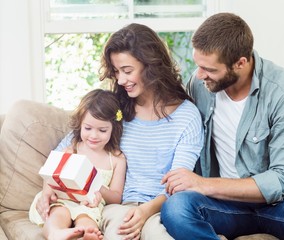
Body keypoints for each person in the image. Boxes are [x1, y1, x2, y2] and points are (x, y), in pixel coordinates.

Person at [161, 12, 284, 239]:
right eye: (198, 65)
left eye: (210, 69)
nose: (199, 75)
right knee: (176, 209)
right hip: (227, 205)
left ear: (241, 63)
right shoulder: (201, 86)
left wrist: (204, 184)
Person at [35, 23, 204, 240]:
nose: (120, 80)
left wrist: (145, 211)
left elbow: (179, 184)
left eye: (127, 71)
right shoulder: (114, 109)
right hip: (118, 208)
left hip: (160, 209)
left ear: (151, 66)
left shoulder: (186, 116)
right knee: (119, 234)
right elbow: (64, 152)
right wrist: (47, 189)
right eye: (116, 71)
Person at [29, 89, 127, 240]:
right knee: (58, 214)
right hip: (64, 201)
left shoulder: (117, 159)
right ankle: (56, 233)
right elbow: (51, 175)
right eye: (88, 128)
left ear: (114, 128)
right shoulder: (72, 149)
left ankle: (86, 234)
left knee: (87, 221)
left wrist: (95, 185)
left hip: (90, 206)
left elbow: (116, 198)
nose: (93, 135)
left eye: (102, 130)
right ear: (80, 124)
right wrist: (47, 193)